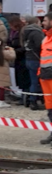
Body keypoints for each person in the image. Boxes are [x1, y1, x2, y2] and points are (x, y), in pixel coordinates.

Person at [23, 15, 44, 110]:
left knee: (33, 81)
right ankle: (34, 100)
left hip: (28, 58)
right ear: (36, 23)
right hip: (36, 59)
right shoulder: (36, 33)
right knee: (38, 81)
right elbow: (40, 46)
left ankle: (31, 99)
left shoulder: (26, 31)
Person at [37, 13, 52, 144]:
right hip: (45, 79)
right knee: (50, 108)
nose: (43, 23)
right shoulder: (45, 39)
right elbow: (43, 59)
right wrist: (39, 73)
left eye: (45, 20)